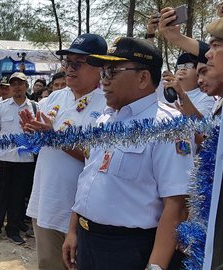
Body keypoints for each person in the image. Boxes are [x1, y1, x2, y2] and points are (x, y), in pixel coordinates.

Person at [61, 37, 193, 270]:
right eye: (103, 72)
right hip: (88, 239)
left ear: (143, 77)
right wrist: (73, 229)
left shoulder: (168, 126)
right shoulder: (105, 118)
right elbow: (88, 177)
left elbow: (176, 205)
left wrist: (155, 267)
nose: (104, 81)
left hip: (128, 249)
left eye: (113, 71)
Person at [19, 33, 108, 270]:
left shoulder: (108, 103)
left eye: (77, 64)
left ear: (100, 66)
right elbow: (38, 146)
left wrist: (54, 137)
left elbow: (100, 156)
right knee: (48, 264)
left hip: (83, 209)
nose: (69, 69)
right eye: (67, 62)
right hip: (47, 201)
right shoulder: (53, 98)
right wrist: (31, 132)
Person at [0, 72, 38, 245]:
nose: (17, 87)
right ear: (9, 87)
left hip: (25, 160)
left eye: (20, 83)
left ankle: (13, 230)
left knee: (17, 197)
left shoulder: (35, 108)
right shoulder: (0, 107)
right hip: (3, 158)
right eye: (13, 84)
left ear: (26, 86)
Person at [162, 53, 215, 117]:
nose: (183, 69)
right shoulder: (165, 91)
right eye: (180, 66)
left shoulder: (206, 97)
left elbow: (202, 124)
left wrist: (182, 94)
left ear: (199, 73)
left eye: (189, 65)